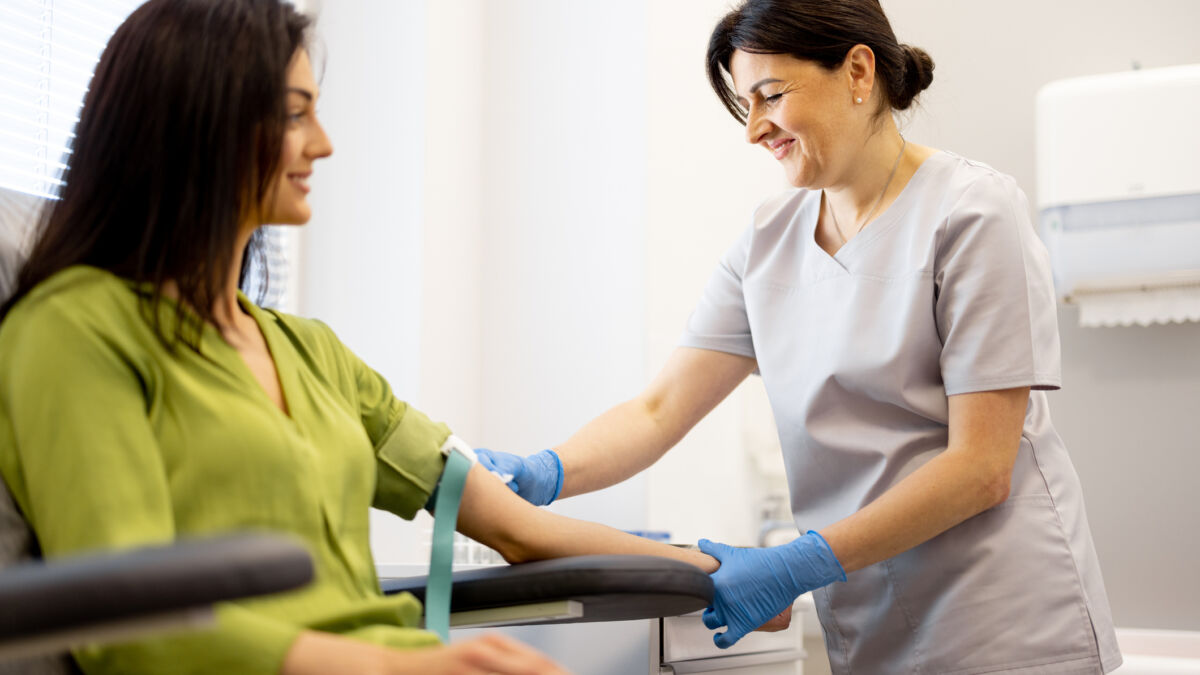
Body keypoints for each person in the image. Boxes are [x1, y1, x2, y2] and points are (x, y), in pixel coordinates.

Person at [0, 2, 718, 674]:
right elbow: (128, 622)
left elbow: (520, 527)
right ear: (201, 123)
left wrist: (714, 562)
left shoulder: (313, 353)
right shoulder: (72, 328)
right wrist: (405, 666)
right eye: (294, 115)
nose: (324, 144)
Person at [475, 0, 1123, 672]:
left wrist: (799, 560)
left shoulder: (973, 213)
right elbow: (658, 410)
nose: (754, 128)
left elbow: (981, 469)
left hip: (1005, 625)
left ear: (859, 71)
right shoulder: (767, 243)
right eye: (743, 103)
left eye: (771, 95)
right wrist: (541, 474)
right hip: (872, 621)